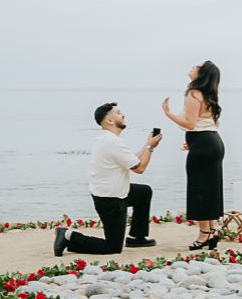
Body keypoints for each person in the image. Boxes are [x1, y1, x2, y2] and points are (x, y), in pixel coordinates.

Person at [54, 102, 162, 257]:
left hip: (116, 191)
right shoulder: (113, 142)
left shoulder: (106, 139)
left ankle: (136, 237)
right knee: (112, 247)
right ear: (110, 121)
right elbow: (140, 168)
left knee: (144, 192)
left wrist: (147, 143)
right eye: (118, 113)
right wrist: (150, 148)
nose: (123, 115)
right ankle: (68, 236)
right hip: (110, 200)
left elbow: (131, 159)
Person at [162, 61, 224, 251]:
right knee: (208, 188)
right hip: (212, 142)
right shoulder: (207, 94)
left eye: (197, 66)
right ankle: (212, 230)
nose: (193, 66)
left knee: (199, 189)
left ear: (202, 73)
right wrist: (194, 142)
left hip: (204, 144)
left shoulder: (194, 93)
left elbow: (190, 123)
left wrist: (168, 113)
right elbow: (203, 123)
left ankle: (203, 234)